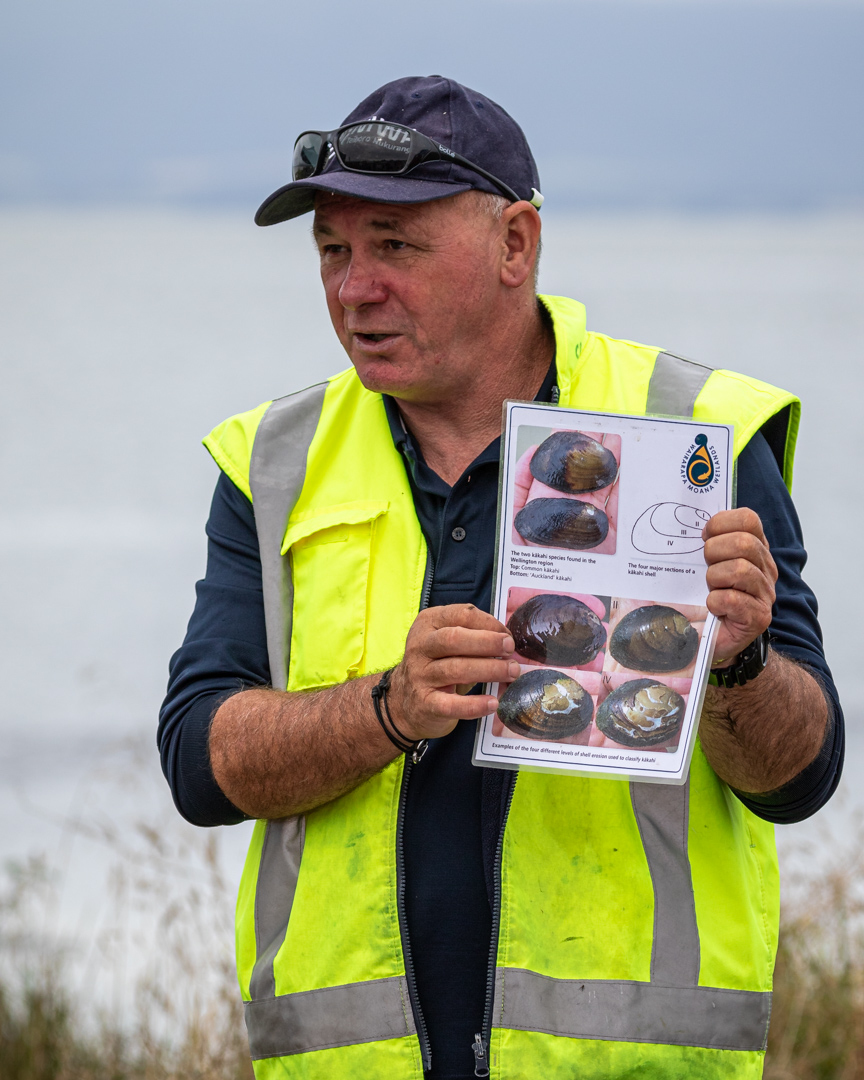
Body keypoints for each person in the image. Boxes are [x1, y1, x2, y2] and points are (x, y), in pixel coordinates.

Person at [158, 76, 843, 1079]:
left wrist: (736, 669)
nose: (354, 288)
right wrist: (384, 709)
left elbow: (799, 779)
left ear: (516, 244)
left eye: (395, 246)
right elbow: (197, 764)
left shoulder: (697, 437)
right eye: (333, 251)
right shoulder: (274, 464)